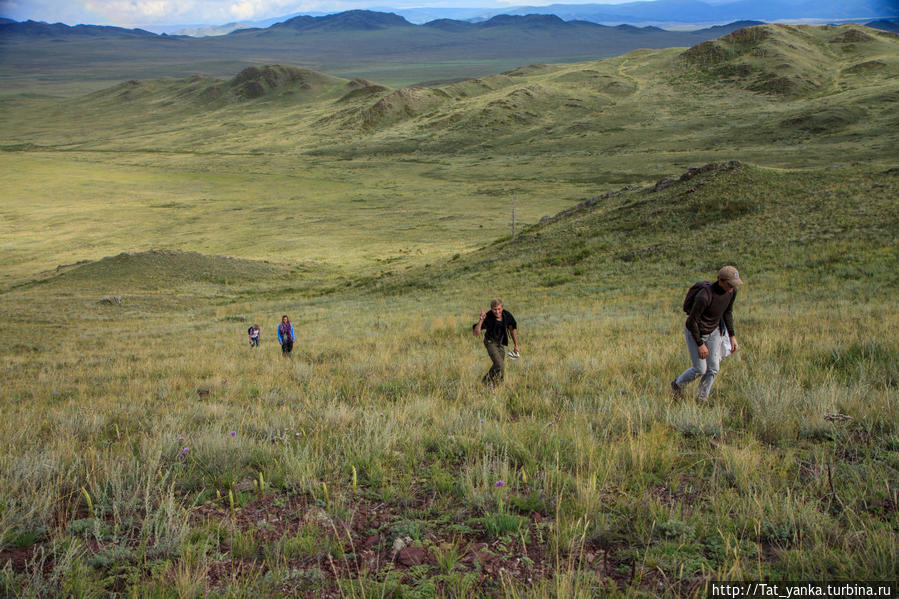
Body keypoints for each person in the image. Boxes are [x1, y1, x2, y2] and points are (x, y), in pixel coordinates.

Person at [671, 266, 742, 403]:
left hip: (713, 331)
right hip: (695, 332)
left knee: (713, 368)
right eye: (730, 284)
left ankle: (701, 399)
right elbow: (691, 322)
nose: (732, 287)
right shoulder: (704, 296)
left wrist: (732, 336)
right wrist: (700, 344)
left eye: (735, 284)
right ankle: (677, 385)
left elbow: (727, 313)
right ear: (720, 280)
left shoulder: (732, 293)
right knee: (700, 369)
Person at [472, 299, 520, 385]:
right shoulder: (488, 317)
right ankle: (485, 382)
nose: (497, 312)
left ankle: (497, 384)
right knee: (499, 364)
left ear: (502, 308)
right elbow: (475, 333)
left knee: (500, 367)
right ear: (491, 309)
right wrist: (481, 320)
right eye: (494, 309)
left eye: (499, 309)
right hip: (490, 342)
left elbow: (512, 329)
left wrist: (516, 345)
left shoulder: (507, 315)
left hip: (500, 343)